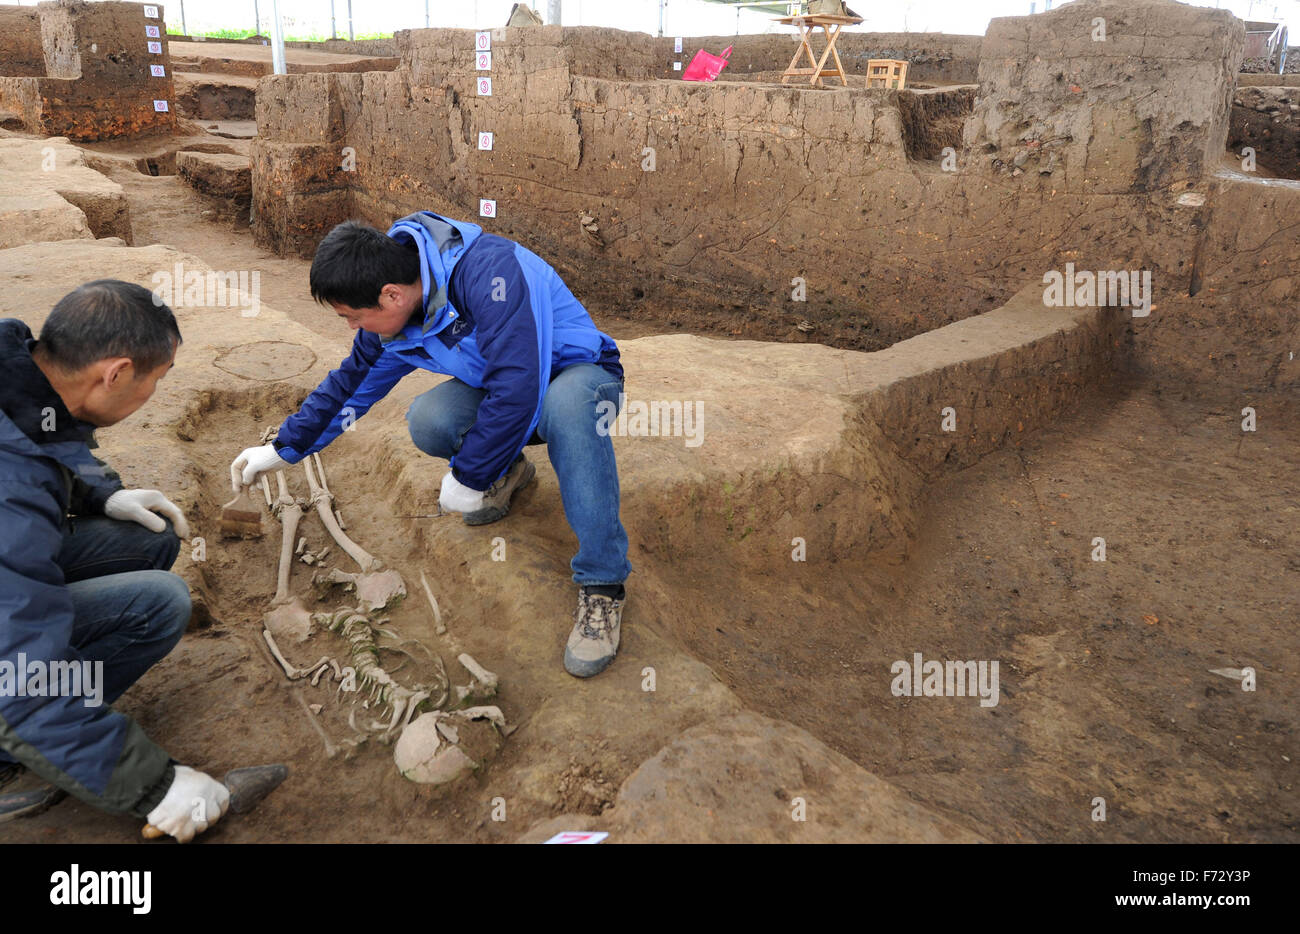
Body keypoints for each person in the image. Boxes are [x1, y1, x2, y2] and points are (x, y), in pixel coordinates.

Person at [231, 213, 631, 677]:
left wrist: (468, 474)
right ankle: (510, 472)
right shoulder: (395, 317)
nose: (352, 327)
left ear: (391, 294)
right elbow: (350, 386)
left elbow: (520, 383)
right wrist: (285, 448)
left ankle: (603, 584)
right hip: (505, 389)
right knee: (431, 419)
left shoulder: (491, 273)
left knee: (567, 405)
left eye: (353, 316)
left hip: (580, 377)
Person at [0, 280, 230, 841]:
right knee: (160, 604)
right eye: (157, 378)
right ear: (117, 372)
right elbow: (18, 672)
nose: (154, 391)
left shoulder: (18, 371)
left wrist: (101, 494)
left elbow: (42, 436)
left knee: (148, 542)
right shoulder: (12, 495)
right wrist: (156, 788)